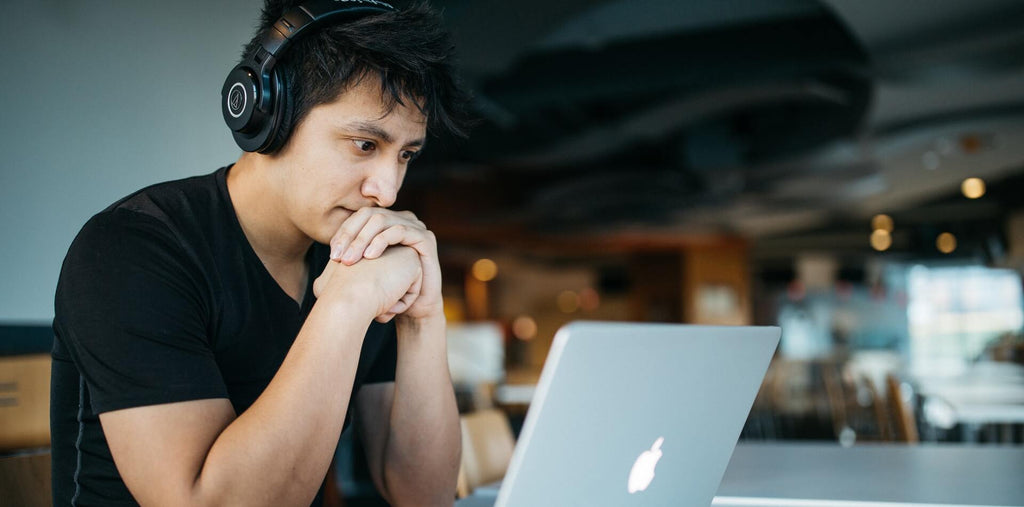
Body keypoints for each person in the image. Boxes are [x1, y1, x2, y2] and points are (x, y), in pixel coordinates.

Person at [50, 1, 470, 505]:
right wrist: (344, 306)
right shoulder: (132, 250)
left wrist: (423, 318)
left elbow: (424, 496)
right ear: (269, 113)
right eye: (364, 144)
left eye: (406, 155)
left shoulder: (359, 258)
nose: (387, 190)